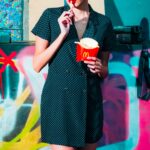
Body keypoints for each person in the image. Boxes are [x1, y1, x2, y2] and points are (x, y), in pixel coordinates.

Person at [31, 0, 116, 150]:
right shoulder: (51, 16)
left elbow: (105, 70)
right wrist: (62, 34)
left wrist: (100, 67)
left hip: (90, 100)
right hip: (60, 102)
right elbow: (37, 65)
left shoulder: (103, 22)